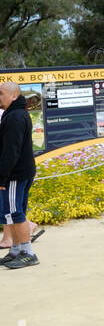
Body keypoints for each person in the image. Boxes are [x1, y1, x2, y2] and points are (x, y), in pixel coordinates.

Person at [0, 81, 39, 269]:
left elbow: (11, 151)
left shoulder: (15, 117)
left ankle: (27, 253)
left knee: (15, 213)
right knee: (9, 214)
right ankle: (15, 250)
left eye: (0, 93)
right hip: (17, 173)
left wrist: (2, 176)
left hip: (15, 175)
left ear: (13, 96)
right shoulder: (14, 113)